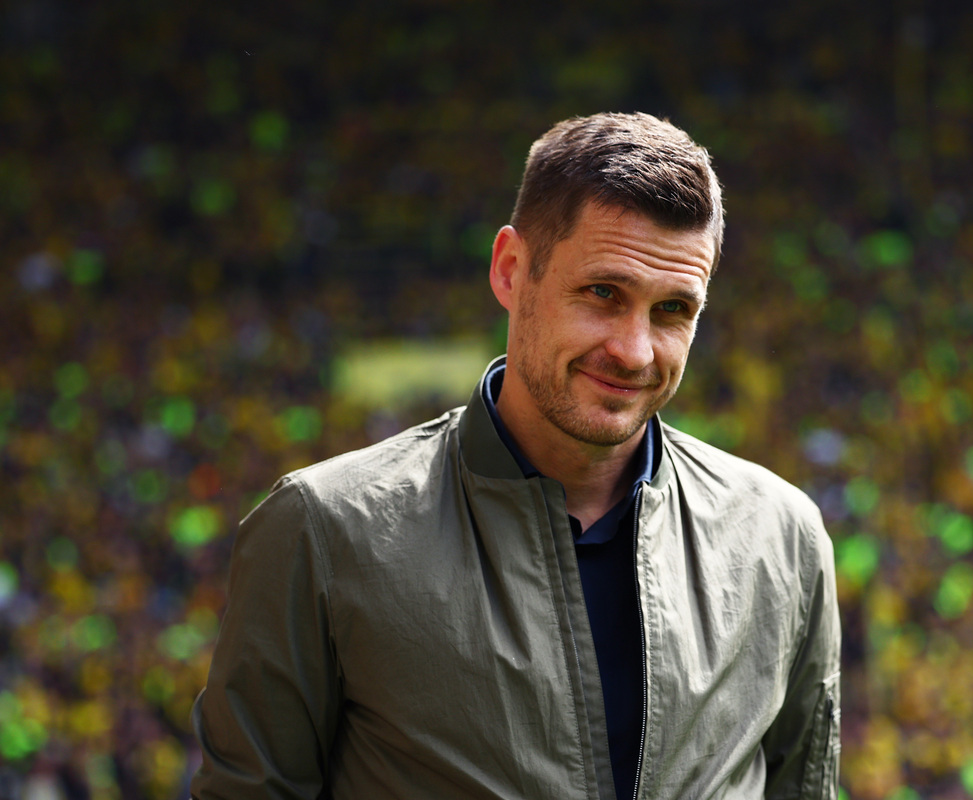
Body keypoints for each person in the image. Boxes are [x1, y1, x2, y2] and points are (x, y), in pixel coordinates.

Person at [190, 112, 841, 800]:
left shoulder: (782, 539)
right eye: (603, 293)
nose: (634, 350)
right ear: (511, 270)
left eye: (673, 310)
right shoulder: (322, 531)